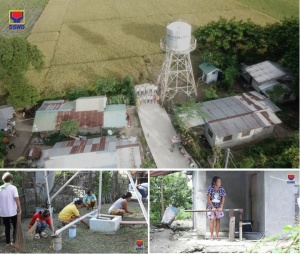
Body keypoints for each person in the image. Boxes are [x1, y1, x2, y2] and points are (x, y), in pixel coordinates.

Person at [0, 172, 21, 246]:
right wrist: (19, 209)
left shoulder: (0, 188)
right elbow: (17, 199)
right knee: (15, 226)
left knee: (7, 226)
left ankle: (7, 242)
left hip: (3, 212)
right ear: (11, 180)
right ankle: (13, 241)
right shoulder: (13, 188)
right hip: (12, 212)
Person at [207, 176, 226, 240]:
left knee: (218, 220)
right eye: (219, 182)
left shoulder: (221, 188)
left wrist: (221, 207)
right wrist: (212, 207)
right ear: (215, 182)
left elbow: (223, 198)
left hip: (218, 206)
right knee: (212, 220)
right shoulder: (210, 188)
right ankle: (212, 236)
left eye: (220, 182)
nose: (220, 183)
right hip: (211, 206)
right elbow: (208, 198)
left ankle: (217, 236)